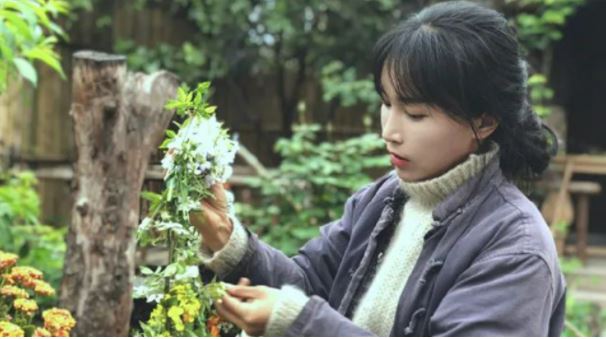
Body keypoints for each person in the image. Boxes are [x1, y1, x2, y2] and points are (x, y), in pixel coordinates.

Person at [190, 1, 566, 336]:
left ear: (484, 122)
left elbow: (302, 312)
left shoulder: (515, 250)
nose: (389, 131)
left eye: (416, 115)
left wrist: (300, 322)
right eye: (387, 104)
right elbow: (307, 285)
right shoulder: (385, 199)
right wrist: (231, 242)